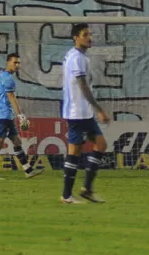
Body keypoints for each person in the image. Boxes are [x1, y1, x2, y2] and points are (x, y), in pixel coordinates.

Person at [60, 23, 110, 205]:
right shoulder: (77, 58)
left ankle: (87, 189)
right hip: (77, 112)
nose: (89, 37)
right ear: (76, 37)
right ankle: (66, 196)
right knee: (75, 150)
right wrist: (99, 110)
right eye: (85, 34)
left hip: (83, 112)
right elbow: (82, 85)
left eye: (90, 34)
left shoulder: (76, 56)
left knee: (100, 144)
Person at [0, 52, 40, 180]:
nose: (17, 65)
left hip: (4, 114)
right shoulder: (8, 78)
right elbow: (11, 97)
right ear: (8, 62)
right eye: (15, 62)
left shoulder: (2, 75)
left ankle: (28, 170)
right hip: (4, 114)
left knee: (16, 141)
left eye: (19, 63)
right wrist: (20, 115)